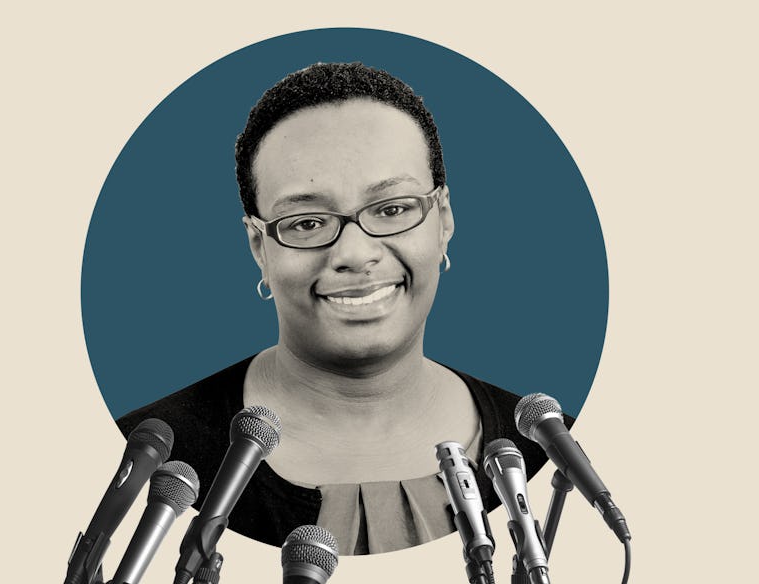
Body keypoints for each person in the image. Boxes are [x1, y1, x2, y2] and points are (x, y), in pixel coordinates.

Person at [117, 62, 573, 554]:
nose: (355, 254)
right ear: (259, 247)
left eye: (393, 209)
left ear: (442, 219)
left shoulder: (557, 453)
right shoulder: (144, 459)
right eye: (307, 222)